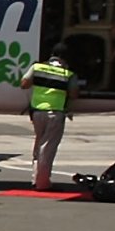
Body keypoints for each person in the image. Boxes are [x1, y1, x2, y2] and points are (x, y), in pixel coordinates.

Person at [19, 44, 78, 190]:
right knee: (48, 148)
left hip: (37, 113)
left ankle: (36, 179)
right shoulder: (68, 74)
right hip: (55, 114)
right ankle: (43, 183)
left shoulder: (37, 67)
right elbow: (74, 94)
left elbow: (24, 84)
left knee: (39, 146)